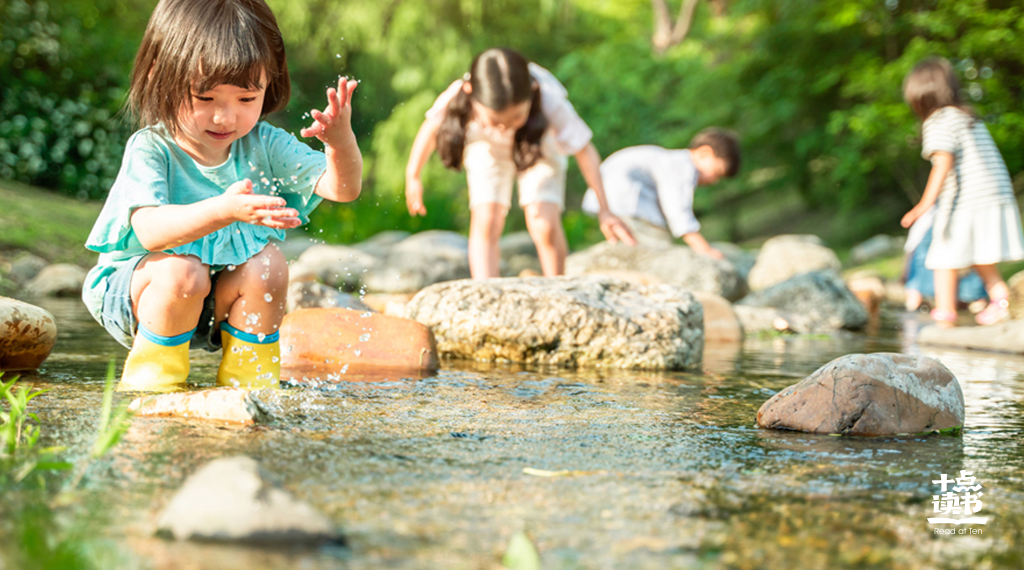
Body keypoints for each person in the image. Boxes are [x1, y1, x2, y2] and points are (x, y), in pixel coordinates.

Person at [82, 0, 362, 391]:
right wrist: (223, 210)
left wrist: (340, 143)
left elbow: (342, 188)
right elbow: (149, 232)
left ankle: (250, 387)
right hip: (141, 295)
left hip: (210, 301)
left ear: (270, 84)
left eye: (246, 99)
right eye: (205, 97)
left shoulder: (264, 143)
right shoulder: (152, 148)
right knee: (182, 269)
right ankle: (152, 387)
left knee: (269, 263)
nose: (225, 117)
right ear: (159, 77)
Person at [404, 47, 635, 278]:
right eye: (496, 119)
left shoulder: (547, 96)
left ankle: (557, 286)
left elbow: (585, 151)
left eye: (516, 117)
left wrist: (605, 209)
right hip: (487, 147)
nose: (506, 126)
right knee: (487, 218)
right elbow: (430, 129)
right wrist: (413, 175)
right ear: (470, 92)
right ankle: (486, 291)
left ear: (532, 92)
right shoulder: (459, 94)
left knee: (542, 220)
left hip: (538, 145)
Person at [900, 57, 1024, 326]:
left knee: (943, 255)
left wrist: (923, 205)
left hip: (968, 200)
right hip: (994, 194)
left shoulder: (938, 120)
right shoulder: (966, 116)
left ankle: (946, 314)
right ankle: (1001, 300)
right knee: (978, 255)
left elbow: (943, 163)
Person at [581, 129, 741, 257]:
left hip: (608, 198)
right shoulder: (683, 166)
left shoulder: (667, 159)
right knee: (659, 249)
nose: (714, 180)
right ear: (704, 153)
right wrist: (705, 249)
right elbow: (678, 211)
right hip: (627, 200)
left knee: (633, 248)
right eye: (717, 172)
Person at [902, 206, 987, 312]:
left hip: (945, 214)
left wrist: (919, 209)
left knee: (940, 258)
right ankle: (975, 299)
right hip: (960, 212)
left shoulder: (927, 223)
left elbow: (912, 249)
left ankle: (940, 307)